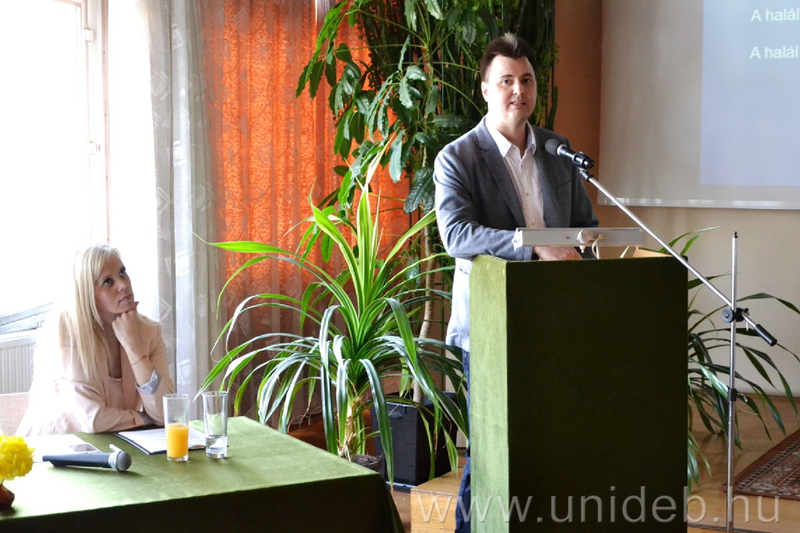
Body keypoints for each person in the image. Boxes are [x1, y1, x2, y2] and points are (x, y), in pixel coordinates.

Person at [433, 33, 598, 532]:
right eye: (506, 81)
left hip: (555, 322)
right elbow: (457, 235)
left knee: (549, 447)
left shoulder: (557, 149)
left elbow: (584, 225)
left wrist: (585, 256)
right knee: (490, 453)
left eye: (526, 80)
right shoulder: (458, 157)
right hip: (491, 328)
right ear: (486, 89)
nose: (518, 91)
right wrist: (533, 245)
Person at [17, 243, 175, 436]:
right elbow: (93, 419)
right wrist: (144, 419)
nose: (123, 284)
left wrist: (133, 345)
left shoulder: (149, 331)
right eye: (108, 281)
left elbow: (165, 413)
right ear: (87, 294)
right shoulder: (67, 332)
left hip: (113, 441)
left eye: (122, 272)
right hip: (56, 443)